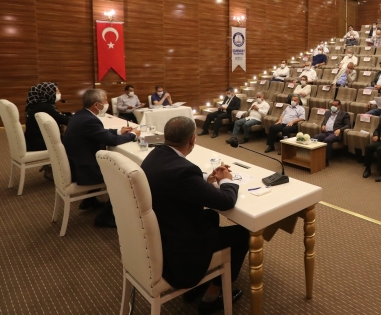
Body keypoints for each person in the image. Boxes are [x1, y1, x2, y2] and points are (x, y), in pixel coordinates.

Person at [141, 116, 248, 312]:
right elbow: (226, 202)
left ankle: (200, 284)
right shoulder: (183, 171)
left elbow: (178, 185)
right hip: (181, 251)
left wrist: (206, 179)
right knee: (243, 234)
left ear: (165, 136)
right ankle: (212, 296)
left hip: (163, 230)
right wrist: (227, 180)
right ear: (192, 139)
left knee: (211, 216)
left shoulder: (154, 156)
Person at [63, 89, 139, 227]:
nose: (107, 102)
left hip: (76, 162)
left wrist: (118, 131)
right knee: (122, 176)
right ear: (97, 105)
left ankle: (90, 200)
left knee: (111, 166)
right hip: (84, 169)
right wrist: (133, 135)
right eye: (105, 100)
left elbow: (99, 133)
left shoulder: (81, 115)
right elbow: (112, 141)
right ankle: (105, 217)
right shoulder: (90, 120)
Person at [24, 82, 70, 180]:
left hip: (34, 141)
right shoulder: (45, 107)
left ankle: (51, 166)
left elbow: (58, 116)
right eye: (56, 91)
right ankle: (65, 171)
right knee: (75, 140)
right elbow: (63, 120)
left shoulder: (39, 105)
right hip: (41, 143)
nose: (59, 93)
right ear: (47, 93)